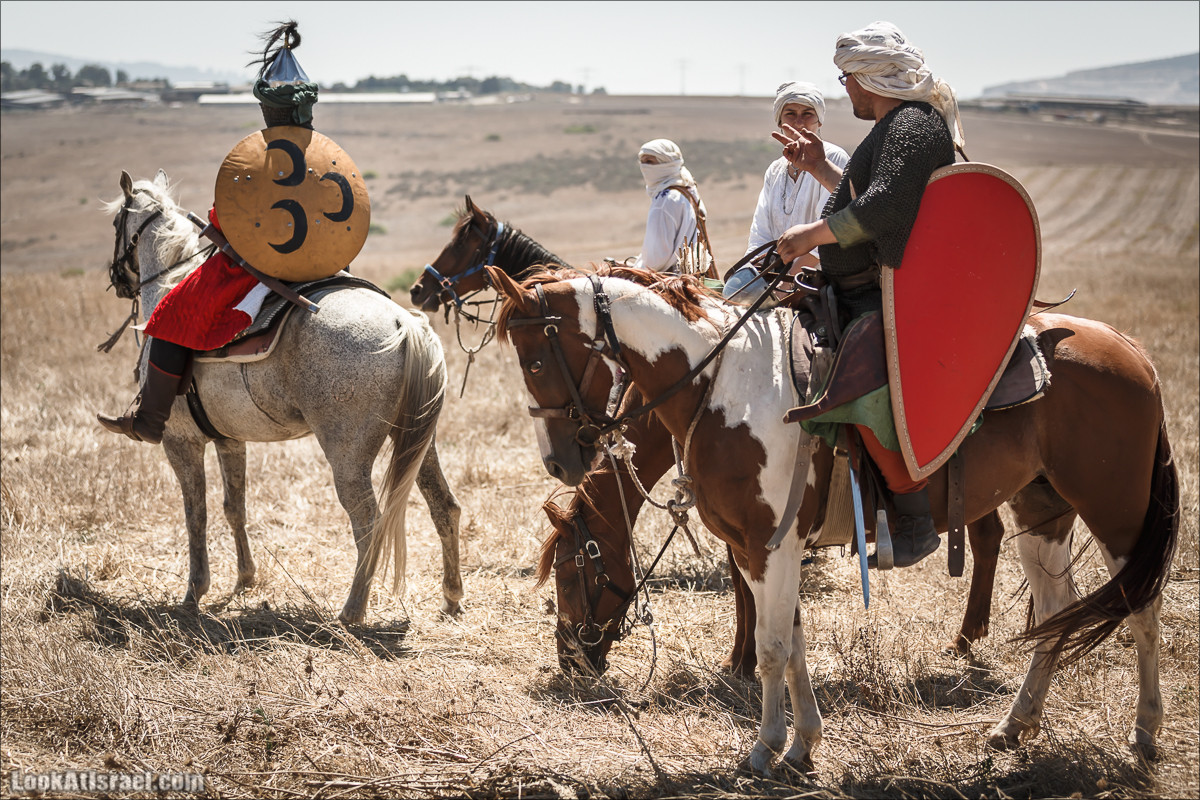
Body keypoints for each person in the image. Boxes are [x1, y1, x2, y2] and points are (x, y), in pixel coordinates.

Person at [775, 20, 966, 568]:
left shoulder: (913, 124)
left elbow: (883, 210)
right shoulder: (893, 127)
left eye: (847, 79)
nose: (846, 90)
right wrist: (816, 166)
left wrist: (808, 236)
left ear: (871, 77)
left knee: (855, 382)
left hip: (886, 297)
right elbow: (864, 198)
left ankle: (912, 517)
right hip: (850, 289)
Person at [98, 22, 318, 444]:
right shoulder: (325, 154)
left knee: (168, 314)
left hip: (255, 270)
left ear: (269, 110)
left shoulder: (257, 158)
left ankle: (150, 421)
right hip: (321, 264)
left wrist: (219, 228)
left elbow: (226, 220)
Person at [723, 82, 849, 299]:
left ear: (819, 121)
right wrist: (755, 277)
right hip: (777, 280)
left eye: (807, 114)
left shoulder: (834, 158)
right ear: (780, 121)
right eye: (790, 114)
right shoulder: (775, 170)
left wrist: (784, 286)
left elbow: (828, 232)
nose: (799, 122)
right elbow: (761, 233)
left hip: (819, 282)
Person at [631, 139, 709, 273]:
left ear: (668, 163)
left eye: (650, 162)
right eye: (642, 162)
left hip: (670, 280)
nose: (644, 167)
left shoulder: (666, 200)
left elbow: (656, 259)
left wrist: (633, 269)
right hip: (692, 276)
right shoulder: (687, 190)